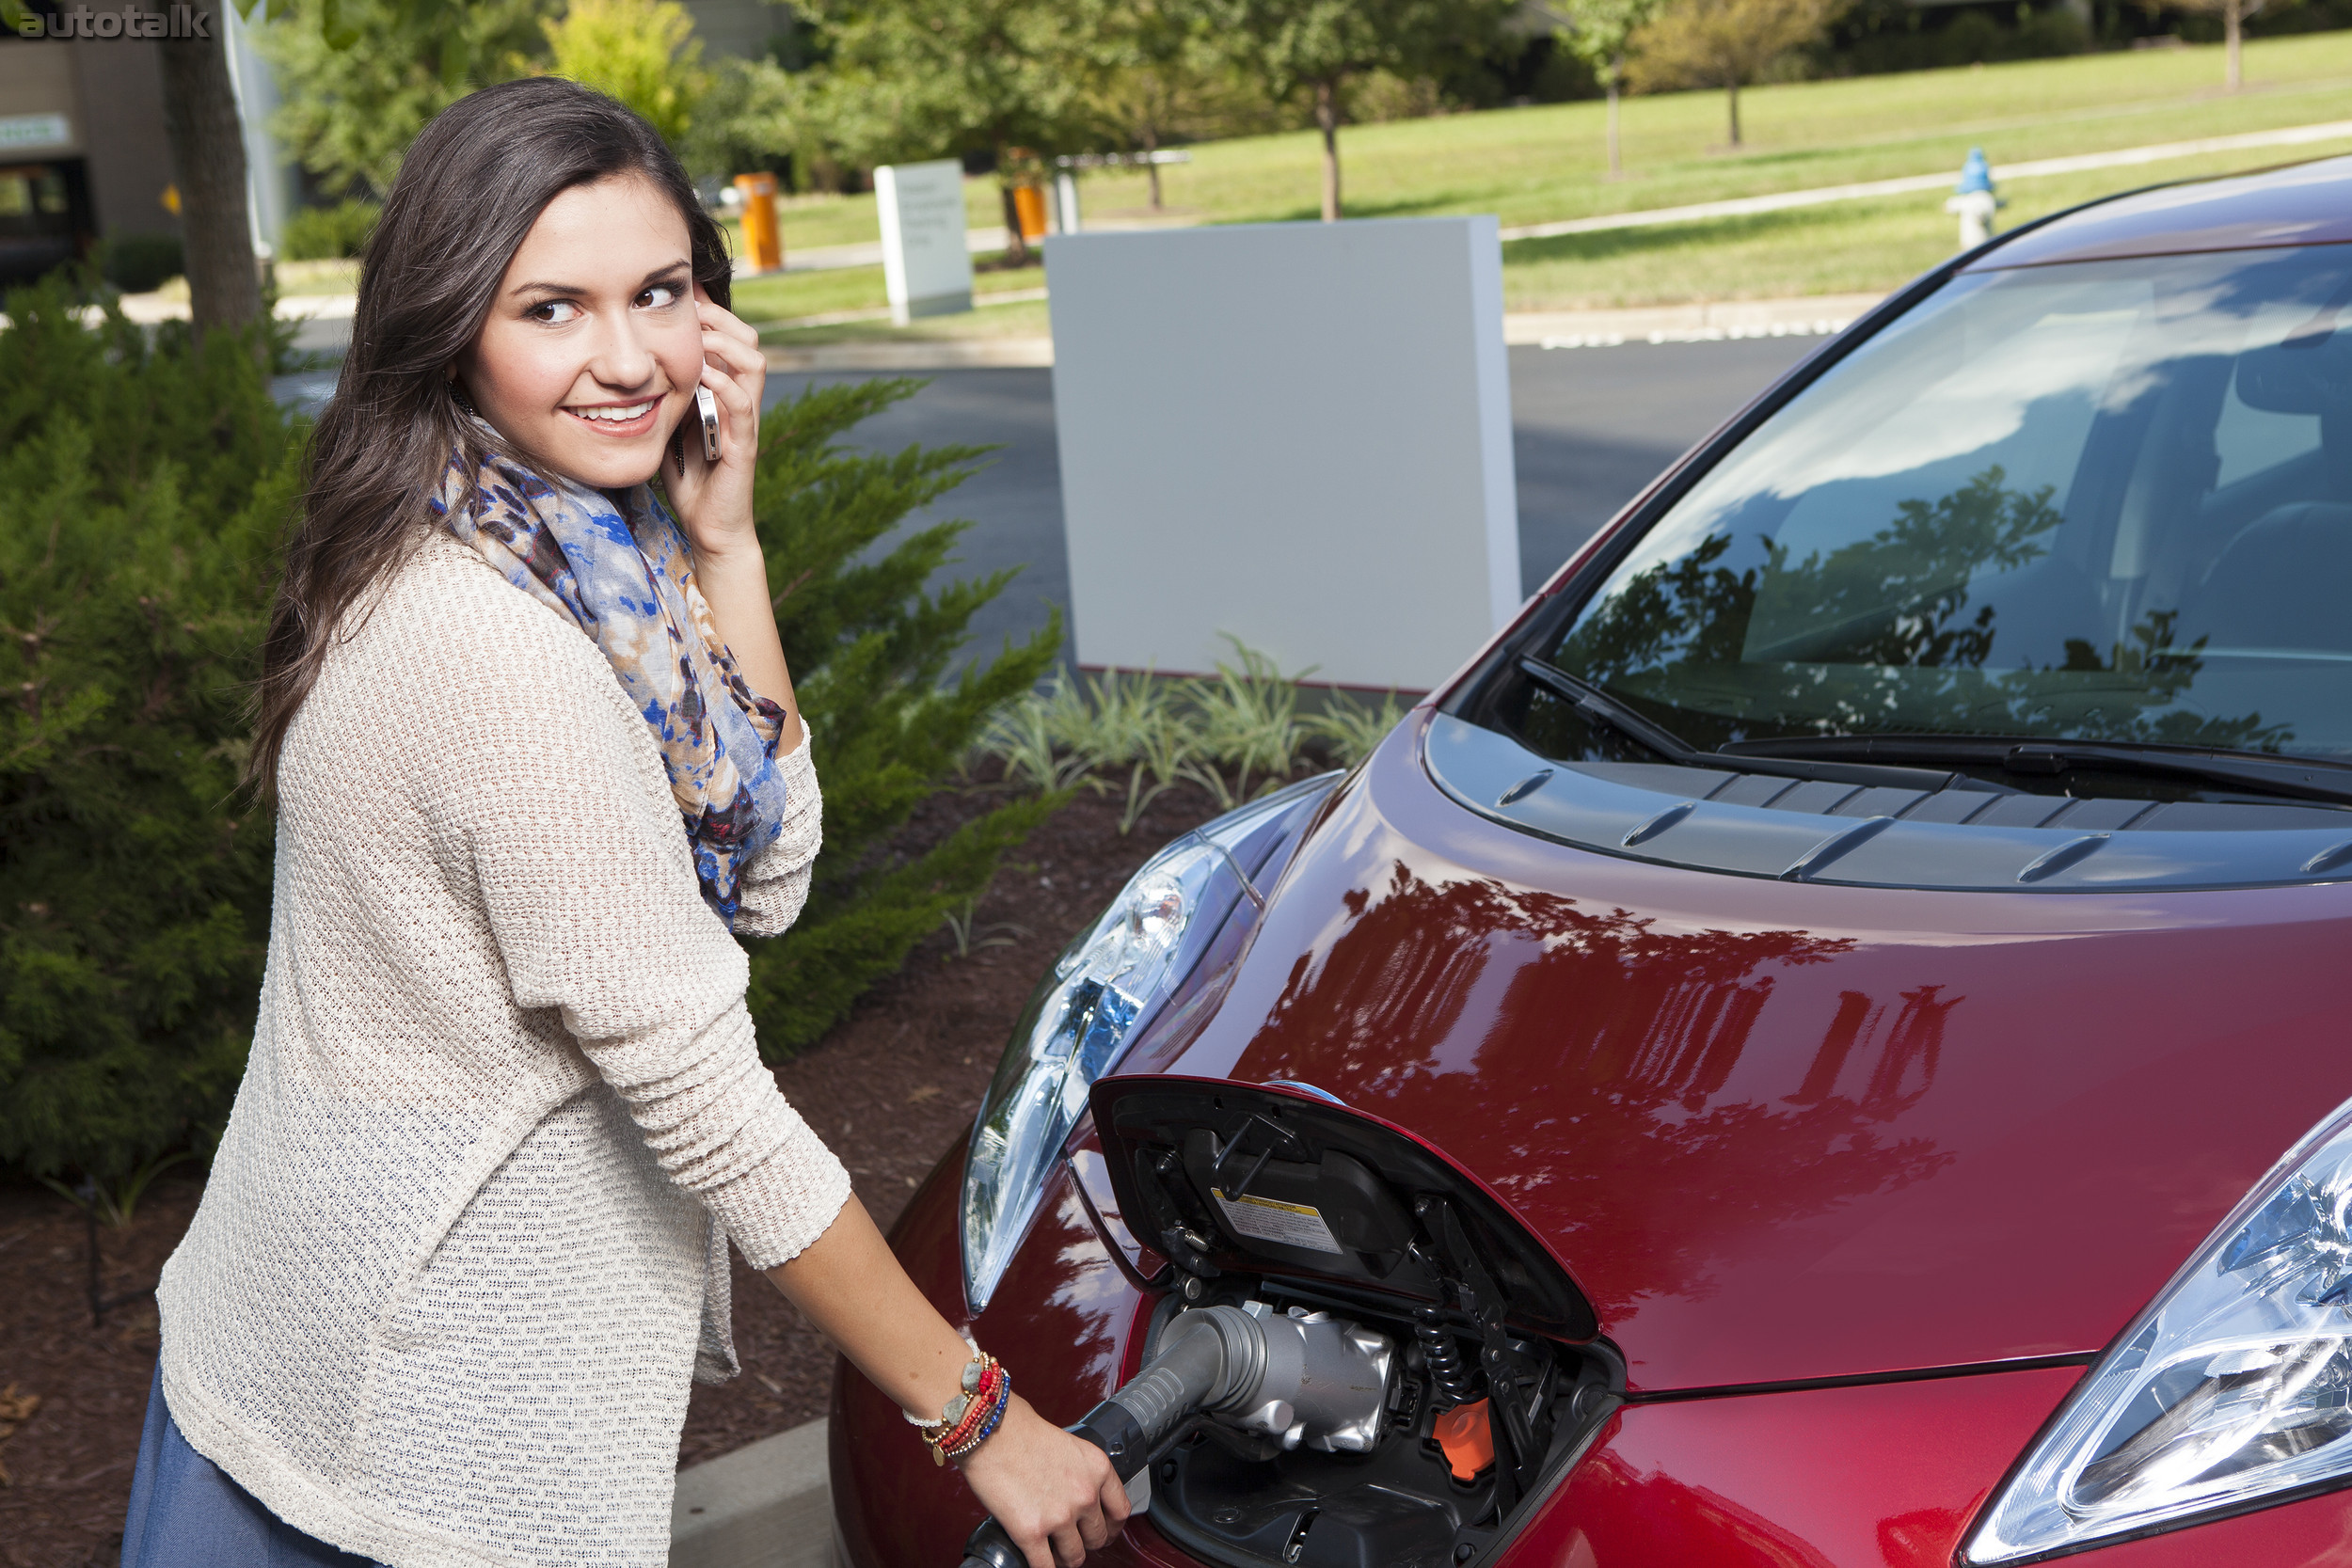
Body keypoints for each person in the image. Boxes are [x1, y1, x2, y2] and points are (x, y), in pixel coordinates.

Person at [119, 77, 1125, 1568]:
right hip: (405, 1447)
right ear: (451, 323)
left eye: (658, 294)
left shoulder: (571, 553)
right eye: (552, 309)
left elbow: (766, 869)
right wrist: (982, 1419)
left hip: (312, 1351)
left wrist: (729, 537)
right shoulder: (503, 651)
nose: (626, 359)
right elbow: (714, 1107)